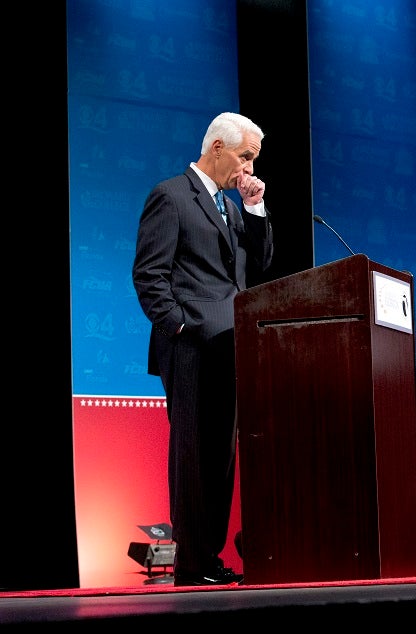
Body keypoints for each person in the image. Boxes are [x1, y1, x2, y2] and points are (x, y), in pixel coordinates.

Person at [132, 112, 274, 586]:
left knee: (220, 458)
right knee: (192, 456)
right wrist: (179, 328)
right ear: (217, 147)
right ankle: (191, 564)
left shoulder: (232, 206)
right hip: (191, 347)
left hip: (231, 346)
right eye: (245, 157)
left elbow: (260, 261)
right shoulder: (171, 196)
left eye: (253, 160)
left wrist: (254, 208)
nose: (249, 169)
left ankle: (207, 557)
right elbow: (149, 276)